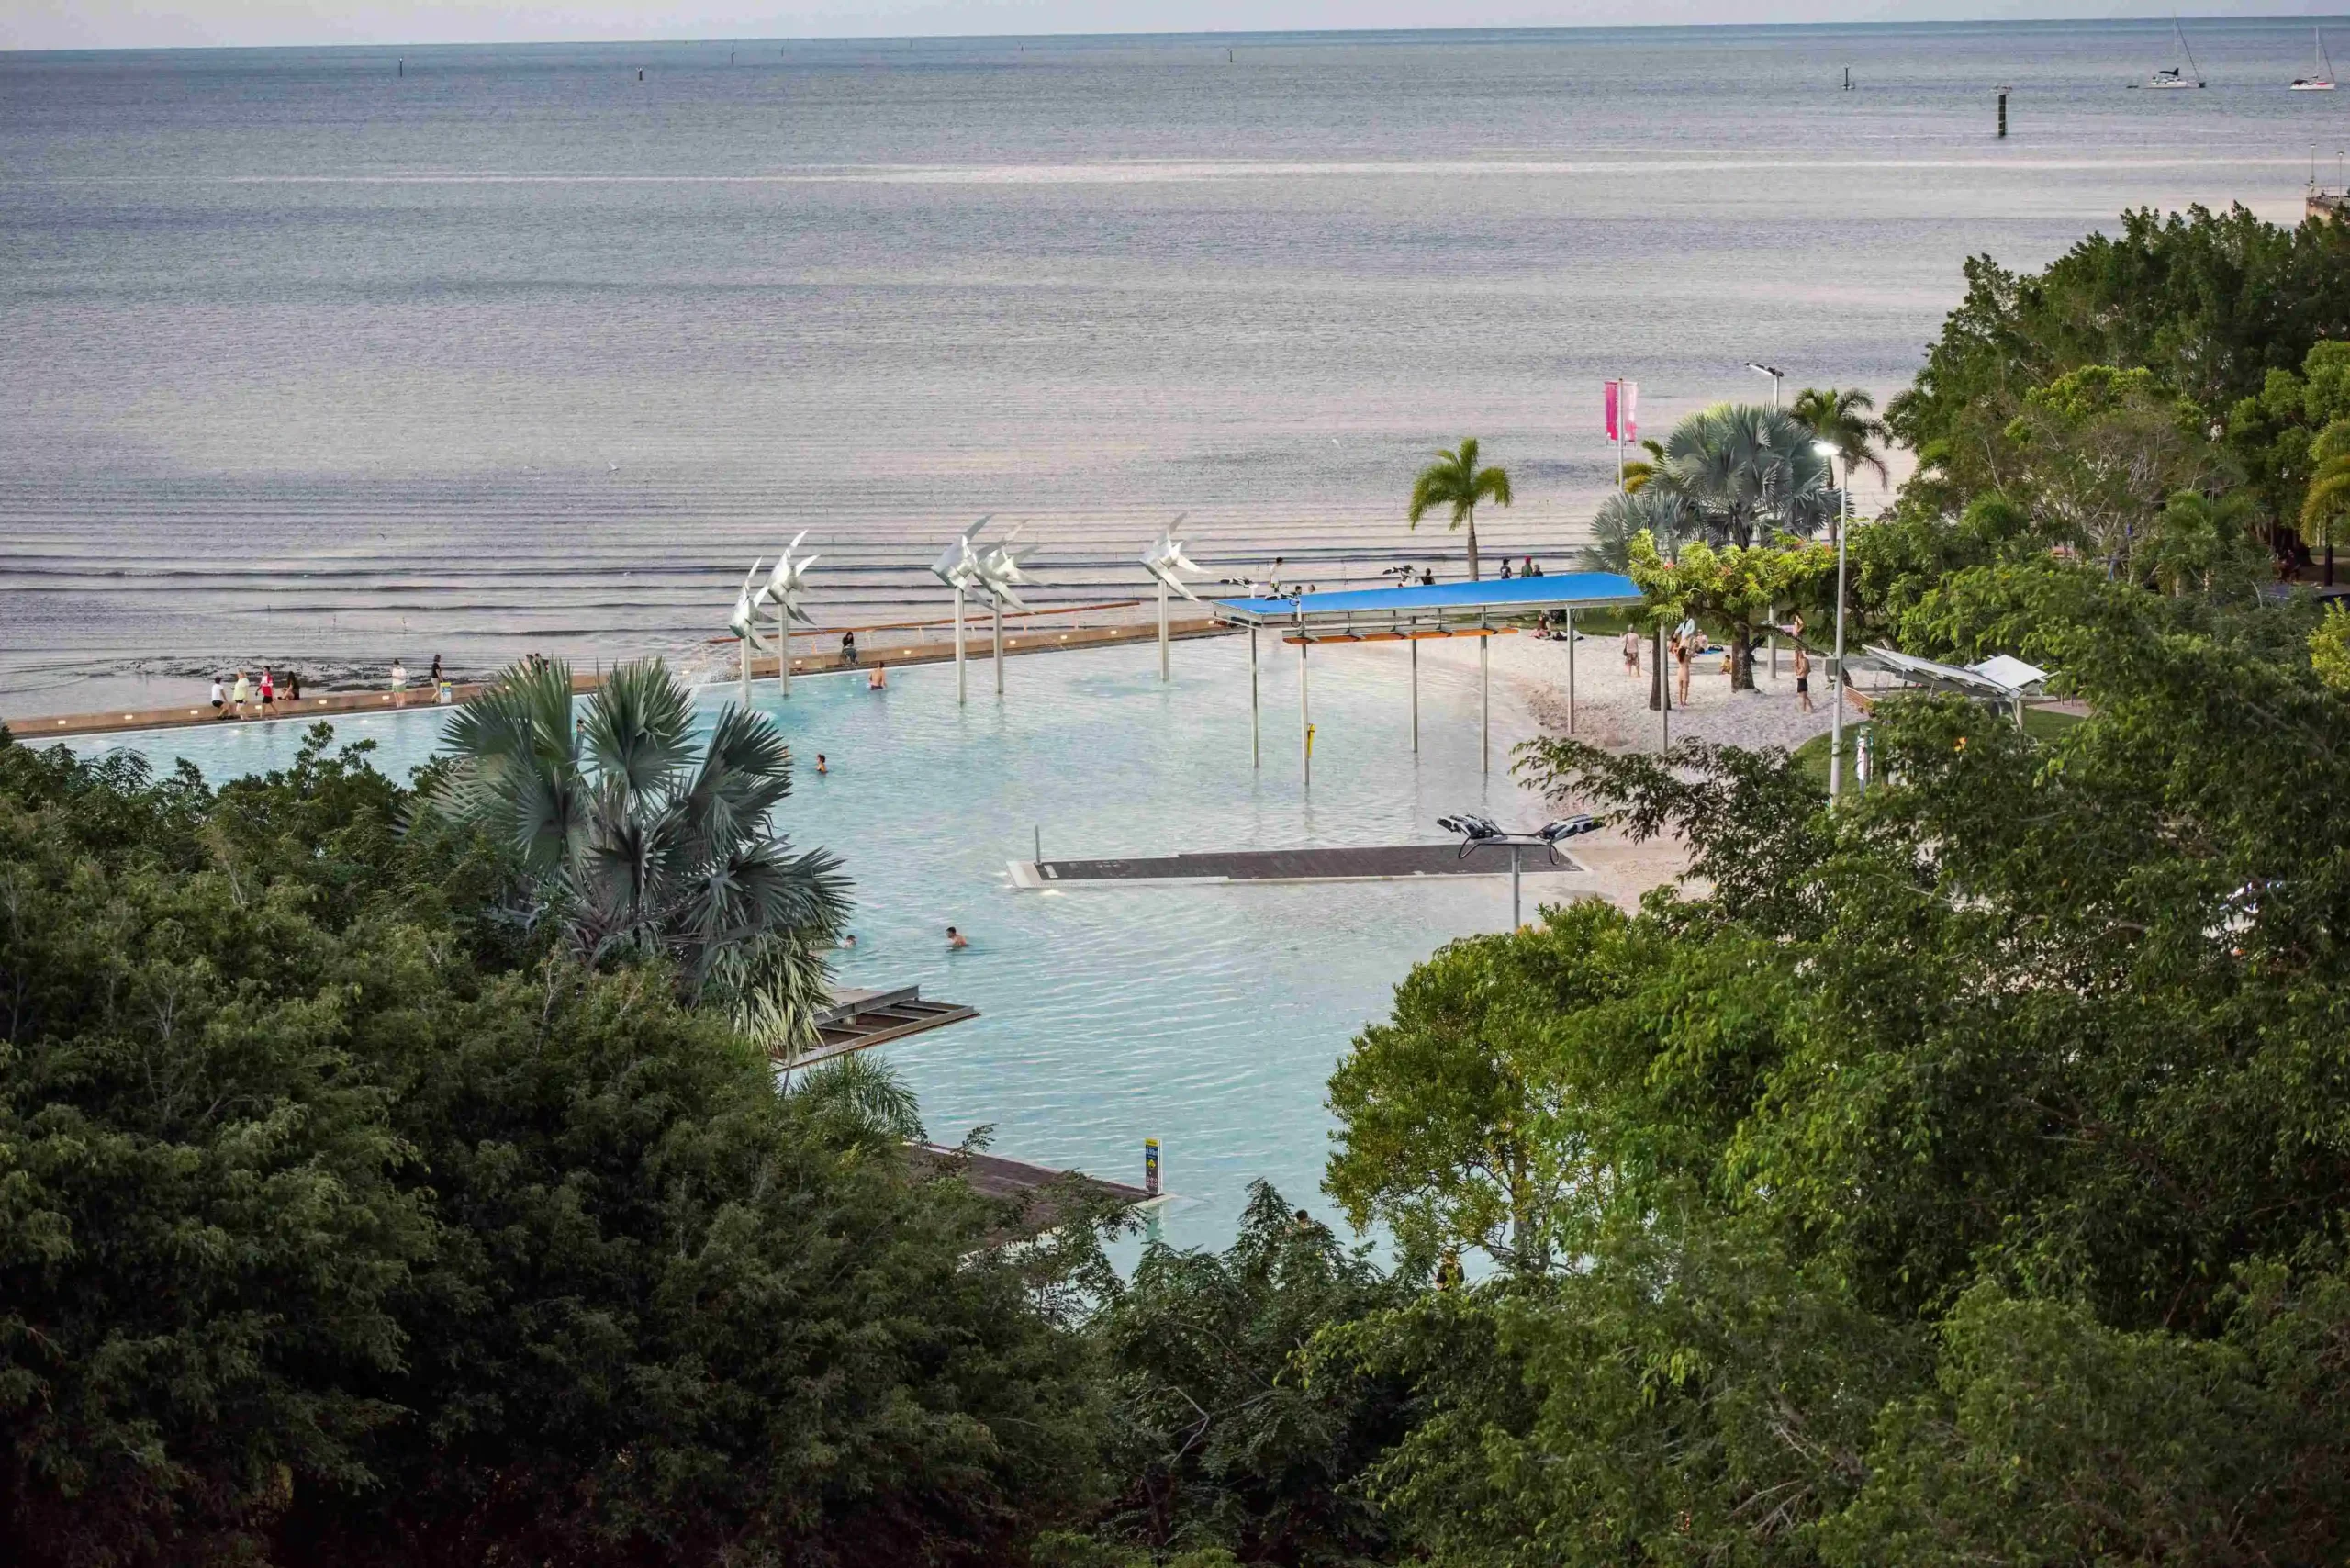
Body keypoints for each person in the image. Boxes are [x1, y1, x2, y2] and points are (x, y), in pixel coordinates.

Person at [1793, 639, 1813, 712]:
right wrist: (1796, 666)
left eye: (1799, 652)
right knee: (1804, 696)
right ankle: (1810, 708)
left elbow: (1804, 669)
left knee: (1803, 697)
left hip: (1803, 679)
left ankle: (1805, 709)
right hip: (1800, 680)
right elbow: (1796, 672)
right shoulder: (1799, 661)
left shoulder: (1804, 660)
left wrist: (1798, 671)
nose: (1799, 654)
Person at [1674, 632, 1693, 705]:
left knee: (1680, 688)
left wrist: (1679, 648)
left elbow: (1674, 650)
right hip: (1685, 671)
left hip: (1680, 671)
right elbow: (1692, 651)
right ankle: (1684, 701)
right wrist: (1688, 647)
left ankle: (1680, 701)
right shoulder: (1687, 657)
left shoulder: (1678, 657)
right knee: (1686, 688)